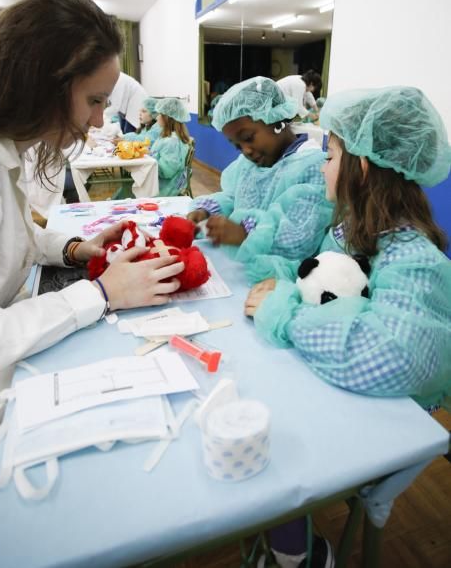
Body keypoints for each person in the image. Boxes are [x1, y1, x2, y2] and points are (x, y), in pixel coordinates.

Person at [246, 86, 451, 568]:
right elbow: (313, 276)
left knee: (269, 453)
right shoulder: (352, 229)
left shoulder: (413, 259)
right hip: (340, 393)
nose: (322, 166)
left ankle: (296, 555)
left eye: (330, 154)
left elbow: (389, 356)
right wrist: (273, 279)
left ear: (360, 166)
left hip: (379, 425)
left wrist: (285, 314)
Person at [0, 0, 184, 478]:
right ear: (42, 85)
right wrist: (99, 293)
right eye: (93, 101)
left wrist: (76, 249)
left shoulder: (3, 153)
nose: (98, 120)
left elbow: (13, 235)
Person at [187, 76, 332, 267]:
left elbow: (300, 241)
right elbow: (234, 197)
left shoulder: (313, 167)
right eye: (238, 146)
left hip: (280, 278)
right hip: (245, 267)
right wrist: (206, 211)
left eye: (248, 137)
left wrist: (244, 235)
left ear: (275, 119)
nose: (246, 150)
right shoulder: (250, 164)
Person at [150, 97, 192, 196]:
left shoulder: (171, 142)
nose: (156, 118)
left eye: (160, 114)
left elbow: (166, 171)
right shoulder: (169, 138)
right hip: (166, 184)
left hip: (166, 188)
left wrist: (149, 162)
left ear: (168, 118)